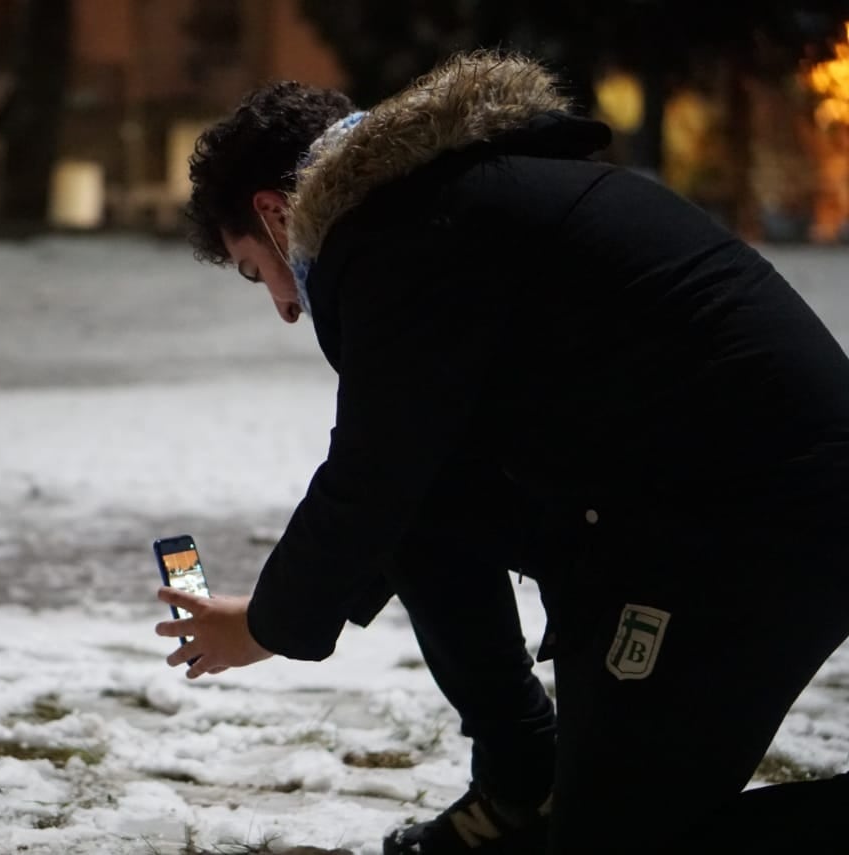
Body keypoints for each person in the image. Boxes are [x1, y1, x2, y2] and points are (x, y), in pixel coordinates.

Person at [152, 51, 849, 855]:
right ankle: (521, 776)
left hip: (752, 523)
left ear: (277, 214)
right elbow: (412, 478)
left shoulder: (406, 238)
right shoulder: (448, 202)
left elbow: (369, 476)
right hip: (689, 505)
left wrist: (265, 627)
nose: (283, 304)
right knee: (428, 501)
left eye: (256, 272)